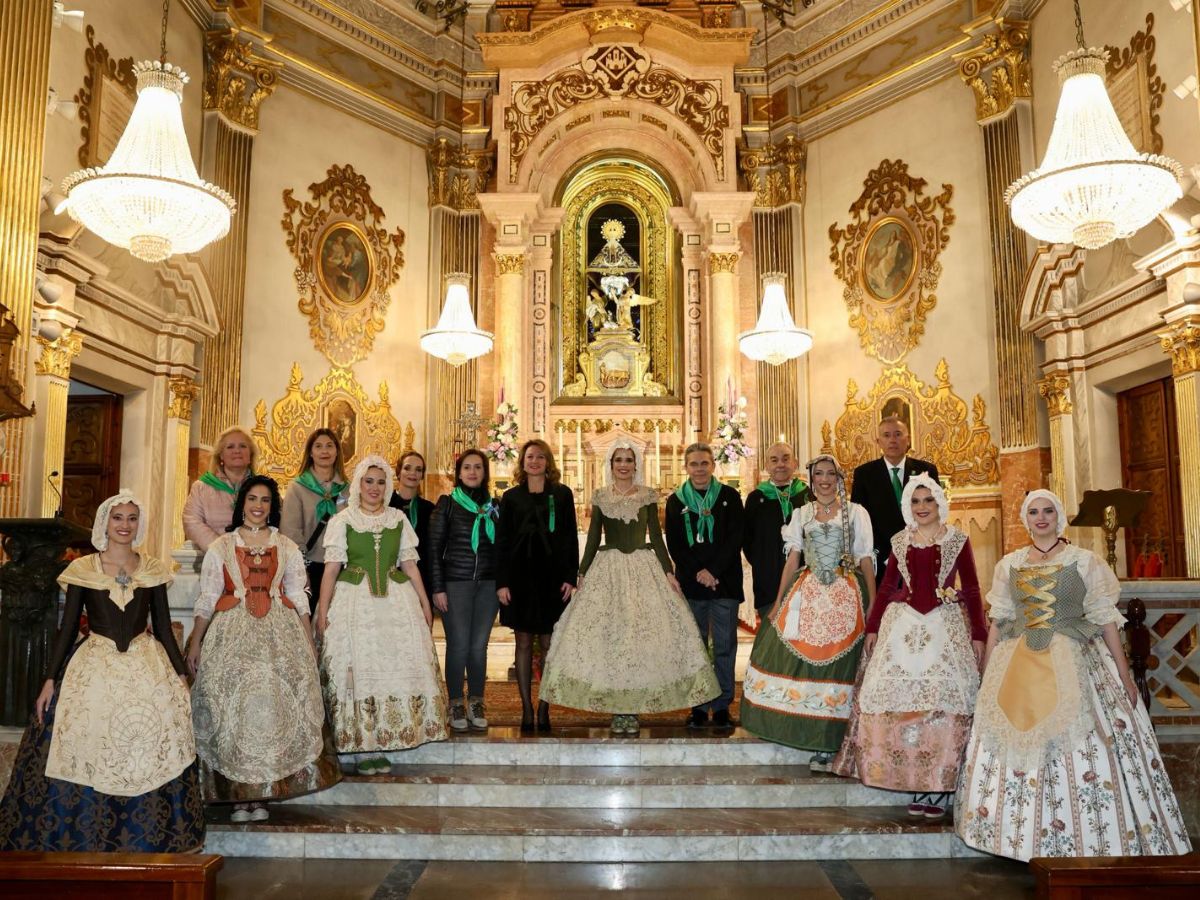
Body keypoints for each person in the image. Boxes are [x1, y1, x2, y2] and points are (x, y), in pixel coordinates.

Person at [955, 489, 1191, 861]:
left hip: (1075, 656)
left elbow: (1106, 620)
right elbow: (998, 621)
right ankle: (1018, 841)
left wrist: (1124, 674)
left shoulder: (1085, 561)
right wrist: (986, 675)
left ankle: (1089, 840)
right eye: (1034, 512)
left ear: (1059, 516)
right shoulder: (1008, 565)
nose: (1041, 517)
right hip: (1017, 662)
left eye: (1048, 510)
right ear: (1025, 518)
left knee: (1083, 743)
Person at [0, 491, 204, 852]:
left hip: (146, 665)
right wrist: (49, 679)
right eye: (118, 518)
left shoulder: (153, 569)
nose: (125, 525)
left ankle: (147, 834)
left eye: (131, 518)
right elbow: (65, 629)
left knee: (146, 741)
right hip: (93, 665)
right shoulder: (83, 569)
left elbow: (161, 624)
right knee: (84, 736)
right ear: (105, 523)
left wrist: (179, 677)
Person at [830, 474, 985, 819]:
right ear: (907, 507)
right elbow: (886, 589)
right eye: (915, 502)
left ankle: (941, 784)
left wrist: (979, 634)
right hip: (904, 626)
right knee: (905, 706)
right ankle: (917, 779)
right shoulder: (900, 541)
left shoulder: (958, 540)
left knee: (942, 704)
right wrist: (872, 628)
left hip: (944, 629)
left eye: (928, 500)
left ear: (939, 503)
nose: (922, 507)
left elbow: (972, 590)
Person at [188, 476, 340, 822]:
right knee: (234, 709)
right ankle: (238, 797)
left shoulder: (285, 546)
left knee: (270, 709)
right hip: (232, 634)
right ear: (242, 502)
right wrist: (196, 640)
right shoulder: (221, 546)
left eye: (266, 500)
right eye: (253, 498)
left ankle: (263, 795)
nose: (258, 506)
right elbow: (209, 597)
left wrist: (308, 642)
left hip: (277, 635)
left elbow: (299, 596)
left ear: (273, 507)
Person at [541, 441, 720, 734]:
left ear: (635, 465)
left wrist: (668, 571)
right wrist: (582, 573)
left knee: (640, 640)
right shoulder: (600, 496)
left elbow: (657, 538)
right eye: (618, 460)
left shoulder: (648, 496)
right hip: (608, 570)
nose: (623, 465)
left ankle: (634, 709)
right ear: (611, 466)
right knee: (612, 640)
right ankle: (618, 709)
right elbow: (594, 537)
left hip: (643, 568)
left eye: (628, 460)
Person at [741, 455, 875, 769]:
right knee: (803, 660)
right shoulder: (802, 513)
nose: (825, 480)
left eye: (831, 474)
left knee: (838, 666)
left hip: (846, 593)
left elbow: (866, 558)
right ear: (811, 479)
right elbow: (793, 560)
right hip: (808, 592)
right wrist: (777, 604)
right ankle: (804, 732)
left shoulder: (856, 513)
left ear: (840, 479)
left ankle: (833, 741)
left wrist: (874, 602)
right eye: (819, 475)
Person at [315, 456, 447, 771]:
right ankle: (359, 746)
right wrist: (323, 610)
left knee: (393, 664)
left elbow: (410, 565)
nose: (375, 487)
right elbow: (331, 570)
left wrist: (425, 604)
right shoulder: (343, 520)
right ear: (358, 484)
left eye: (381, 481)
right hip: (354, 602)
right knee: (359, 670)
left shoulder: (398, 519)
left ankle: (384, 738)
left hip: (395, 599)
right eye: (369, 481)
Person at [495, 439, 578, 732]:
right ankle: (526, 709)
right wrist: (502, 582)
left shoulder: (562, 494)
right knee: (523, 642)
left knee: (548, 644)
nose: (534, 461)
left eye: (540, 457)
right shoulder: (511, 497)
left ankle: (545, 706)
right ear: (522, 462)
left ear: (548, 462)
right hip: (520, 577)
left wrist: (570, 576)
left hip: (552, 577)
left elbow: (570, 537)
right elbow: (501, 542)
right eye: (530, 457)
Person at [664, 442, 745, 729]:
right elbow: (675, 543)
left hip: (724, 582)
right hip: (692, 583)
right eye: (693, 464)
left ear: (713, 465)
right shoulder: (676, 501)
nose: (699, 469)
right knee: (695, 647)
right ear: (686, 468)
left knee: (724, 645)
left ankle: (722, 704)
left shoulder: (729, 496)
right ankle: (698, 705)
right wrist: (698, 571)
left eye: (704, 463)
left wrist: (712, 571)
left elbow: (736, 537)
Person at [427, 449, 499, 732]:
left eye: (478, 467)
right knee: (458, 645)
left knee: (479, 646)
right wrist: (437, 587)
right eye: (467, 467)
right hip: (455, 583)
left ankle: (477, 700)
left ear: (484, 473)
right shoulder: (447, 504)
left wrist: (502, 584)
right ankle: (456, 701)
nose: (472, 472)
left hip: (488, 584)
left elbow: (501, 547)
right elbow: (433, 548)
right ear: (459, 473)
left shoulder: (495, 505)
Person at [850, 417, 938, 577]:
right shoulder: (864, 474)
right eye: (887, 435)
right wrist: (883, 553)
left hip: (920, 554)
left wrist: (920, 547)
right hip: (881, 559)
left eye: (898, 434)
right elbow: (860, 521)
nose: (892, 440)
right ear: (878, 441)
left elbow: (935, 515)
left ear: (908, 439)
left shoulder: (926, 470)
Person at [280, 428, 347, 613]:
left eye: (329, 446)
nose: (324, 451)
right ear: (310, 452)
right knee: (307, 620)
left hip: (341, 566)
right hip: (310, 564)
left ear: (337, 451)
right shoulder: (297, 487)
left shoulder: (347, 489)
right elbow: (290, 531)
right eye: (318, 446)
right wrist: (301, 569)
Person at [743, 442, 810, 619]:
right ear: (767, 466)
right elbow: (747, 539)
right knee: (770, 632)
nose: (780, 464)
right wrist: (762, 562)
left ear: (795, 463)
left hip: (803, 577)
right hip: (767, 578)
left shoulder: (807, 495)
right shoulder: (756, 498)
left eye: (785, 459)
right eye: (774, 460)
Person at [183, 425, 257, 553]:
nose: (237, 451)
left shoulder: (264, 488)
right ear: (221, 456)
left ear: (250, 455)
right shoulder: (201, 487)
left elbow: (276, 523)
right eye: (230, 447)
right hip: (215, 560)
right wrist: (223, 550)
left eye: (243, 446)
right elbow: (192, 522)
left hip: (254, 559)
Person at [389, 450, 435, 592]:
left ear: (422, 476)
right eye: (407, 468)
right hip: (389, 576)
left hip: (421, 577)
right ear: (398, 472)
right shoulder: (385, 505)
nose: (413, 473)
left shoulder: (430, 509)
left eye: (418, 470)